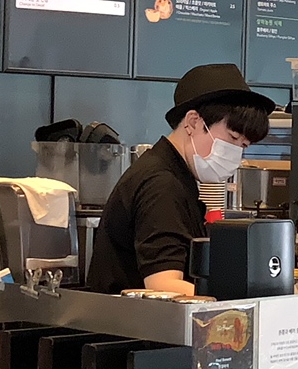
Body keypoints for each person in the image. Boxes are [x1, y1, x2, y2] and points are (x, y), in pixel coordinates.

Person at [85, 64, 275, 295]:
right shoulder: (161, 184)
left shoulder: (172, 174)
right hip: (134, 318)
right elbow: (163, 285)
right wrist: (238, 299)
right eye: (233, 138)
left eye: (243, 146)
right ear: (193, 122)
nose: (236, 153)